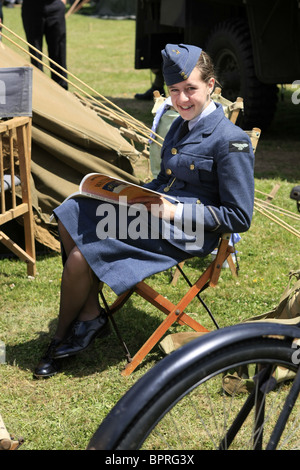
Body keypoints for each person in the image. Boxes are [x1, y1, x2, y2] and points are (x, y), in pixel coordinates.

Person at [33, 43, 255, 378]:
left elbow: (239, 217)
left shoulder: (231, 140)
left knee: (81, 255)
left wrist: (174, 212)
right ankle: (90, 315)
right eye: (174, 91)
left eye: (191, 89)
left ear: (212, 86)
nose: (181, 100)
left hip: (188, 232)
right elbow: (168, 178)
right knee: (71, 210)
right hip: (152, 213)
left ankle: (62, 337)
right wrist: (127, 194)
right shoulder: (182, 124)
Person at [21, 0, 68, 90]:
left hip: (56, 6)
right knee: (35, 55)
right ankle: (40, 92)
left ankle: (62, 92)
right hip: (31, 7)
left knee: (59, 53)